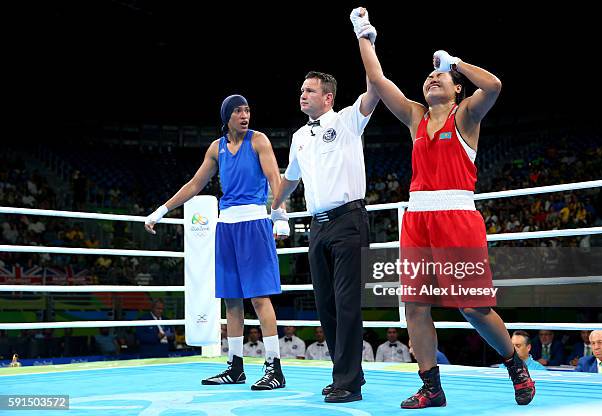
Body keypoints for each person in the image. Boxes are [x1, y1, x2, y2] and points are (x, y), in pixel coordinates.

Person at [352, 7, 535, 408]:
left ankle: (514, 364)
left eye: (442, 77)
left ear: (456, 89)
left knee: (472, 306)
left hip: (457, 216)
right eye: (430, 76)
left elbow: (494, 85)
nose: (433, 78)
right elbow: (380, 81)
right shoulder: (415, 117)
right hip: (417, 218)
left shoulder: (467, 115)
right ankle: (431, 387)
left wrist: (455, 62)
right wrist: (363, 34)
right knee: (414, 306)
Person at [145, 94, 289, 390]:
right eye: (238, 110)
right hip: (226, 226)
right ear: (227, 117)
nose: (244, 114)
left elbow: (276, 177)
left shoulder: (258, 140)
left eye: (247, 109)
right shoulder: (216, 148)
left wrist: (279, 215)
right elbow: (195, 184)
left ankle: (274, 367)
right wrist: (162, 210)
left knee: (260, 297)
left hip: (254, 222)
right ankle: (235, 366)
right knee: (232, 300)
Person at [271, 66, 379, 402]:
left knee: (347, 304)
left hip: (349, 221)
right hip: (317, 226)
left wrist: (365, 37)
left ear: (328, 97)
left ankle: (348, 382)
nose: (303, 94)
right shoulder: (299, 138)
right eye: (302, 90)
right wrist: (275, 207)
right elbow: (290, 178)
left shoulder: (347, 120)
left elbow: (375, 89)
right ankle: (345, 376)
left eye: (310, 90)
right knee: (327, 306)